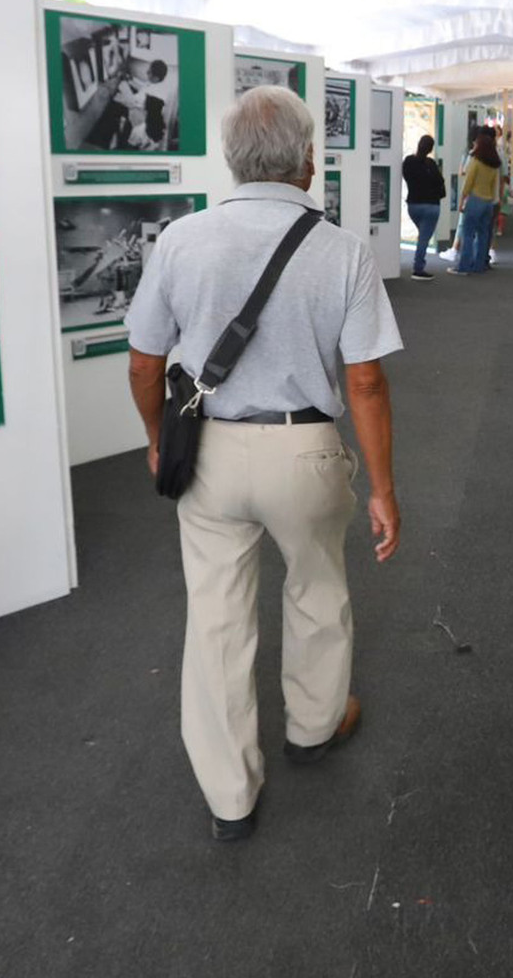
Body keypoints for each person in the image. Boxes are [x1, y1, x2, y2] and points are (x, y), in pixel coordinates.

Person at [125, 85, 402, 843]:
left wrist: (156, 436)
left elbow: (146, 362)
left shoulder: (181, 241)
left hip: (209, 447)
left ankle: (230, 796)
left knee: (215, 617)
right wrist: (383, 488)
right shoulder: (342, 250)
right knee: (317, 587)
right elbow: (366, 380)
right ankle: (313, 727)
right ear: (308, 162)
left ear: (230, 159)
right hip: (305, 450)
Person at [451, 129, 503, 275]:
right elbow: (494, 185)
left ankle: (463, 266)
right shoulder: (494, 164)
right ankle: (479, 265)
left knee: (467, 234)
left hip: (475, 200)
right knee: (483, 234)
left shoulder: (476, 162)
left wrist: (461, 201)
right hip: (488, 202)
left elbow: (468, 183)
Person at [401, 135, 446, 279]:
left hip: (413, 204)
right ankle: (418, 268)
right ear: (431, 148)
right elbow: (440, 181)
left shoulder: (408, 161)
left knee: (423, 235)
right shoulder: (431, 164)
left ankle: (418, 265)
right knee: (424, 238)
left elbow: (406, 177)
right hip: (431, 205)